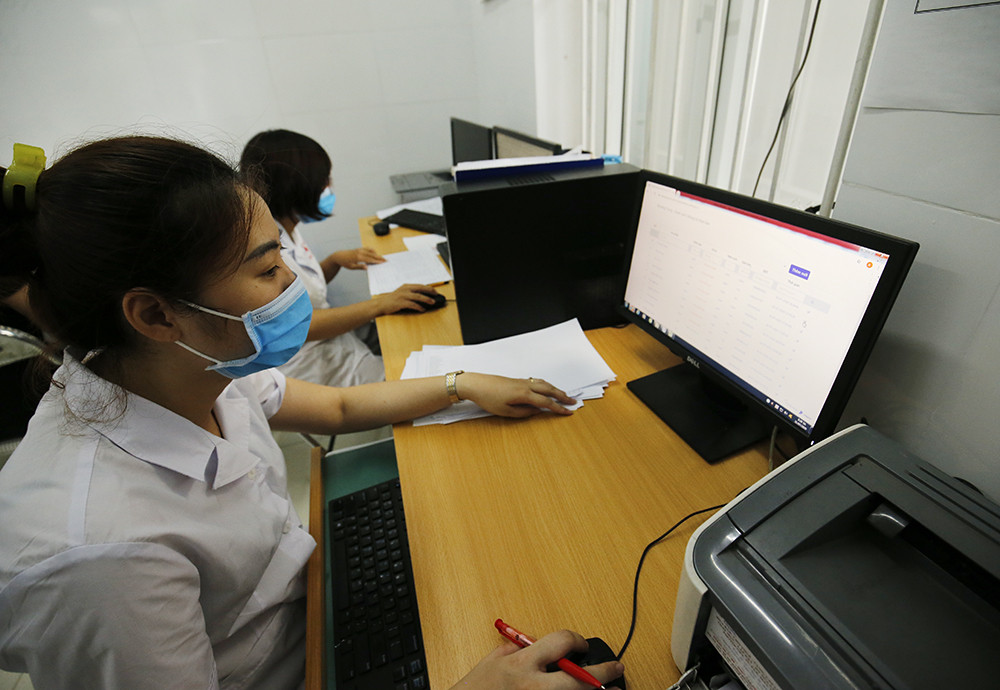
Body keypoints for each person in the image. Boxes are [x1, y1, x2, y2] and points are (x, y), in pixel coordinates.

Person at [0, 136, 624, 690]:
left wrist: (461, 384)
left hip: (317, 611)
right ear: (157, 315)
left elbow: (339, 403)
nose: (292, 286)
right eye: (268, 269)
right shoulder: (100, 557)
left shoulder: (192, 369)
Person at [240, 129, 442, 388]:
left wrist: (334, 261)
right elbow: (295, 325)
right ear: (296, 187)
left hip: (333, 341)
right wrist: (379, 305)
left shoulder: (286, 228)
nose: (328, 187)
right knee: (419, 381)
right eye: (323, 180)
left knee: (411, 334)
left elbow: (302, 291)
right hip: (312, 364)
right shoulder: (266, 252)